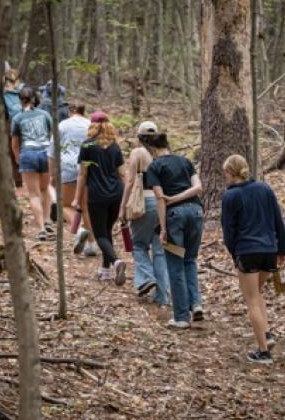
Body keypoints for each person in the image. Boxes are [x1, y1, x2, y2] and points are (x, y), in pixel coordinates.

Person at [220, 154, 285, 364]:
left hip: (247, 251)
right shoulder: (264, 189)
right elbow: (278, 220)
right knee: (257, 293)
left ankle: (263, 351)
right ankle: (266, 333)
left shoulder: (230, 196)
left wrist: (234, 253)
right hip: (269, 249)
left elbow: (228, 230)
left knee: (251, 299)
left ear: (230, 172)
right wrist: (282, 249)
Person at [145, 131, 203, 328]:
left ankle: (181, 317)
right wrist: (181, 197)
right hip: (196, 212)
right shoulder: (185, 161)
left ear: (152, 149)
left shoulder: (155, 166)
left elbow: (160, 198)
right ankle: (195, 304)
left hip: (174, 218)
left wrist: (162, 229)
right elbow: (198, 188)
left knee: (175, 264)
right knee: (190, 260)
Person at [73, 111, 127, 284]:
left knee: (100, 234)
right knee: (107, 231)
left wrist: (77, 198)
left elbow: (82, 174)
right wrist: (127, 197)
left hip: (97, 195)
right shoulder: (115, 146)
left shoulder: (87, 145)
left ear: (93, 125)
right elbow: (122, 174)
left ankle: (116, 262)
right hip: (116, 194)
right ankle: (106, 271)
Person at [120, 121, 170, 306]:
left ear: (139, 137)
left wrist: (123, 207)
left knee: (138, 245)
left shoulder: (138, 153)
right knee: (159, 251)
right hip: (162, 203)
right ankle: (162, 296)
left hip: (143, 203)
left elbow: (130, 181)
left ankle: (147, 278)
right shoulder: (165, 154)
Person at [48, 103, 97, 256]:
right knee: (85, 208)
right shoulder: (90, 125)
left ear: (71, 111)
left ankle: (80, 229)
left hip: (68, 169)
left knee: (64, 205)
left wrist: (52, 174)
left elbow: (52, 152)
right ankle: (91, 245)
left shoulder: (62, 126)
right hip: (87, 168)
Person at [10, 86, 54, 240]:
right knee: (45, 189)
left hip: (28, 154)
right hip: (45, 153)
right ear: (34, 98)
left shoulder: (17, 118)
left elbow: (15, 144)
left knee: (34, 194)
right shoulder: (45, 115)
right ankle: (47, 220)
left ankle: (41, 228)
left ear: (20, 100)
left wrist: (18, 158)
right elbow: (52, 136)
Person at [3, 69, 24, 188]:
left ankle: (18, 180)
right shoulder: (24, 91)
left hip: (13, 125)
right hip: (24, 124)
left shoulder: (4, 94)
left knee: (14, 152)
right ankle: (20, 180)